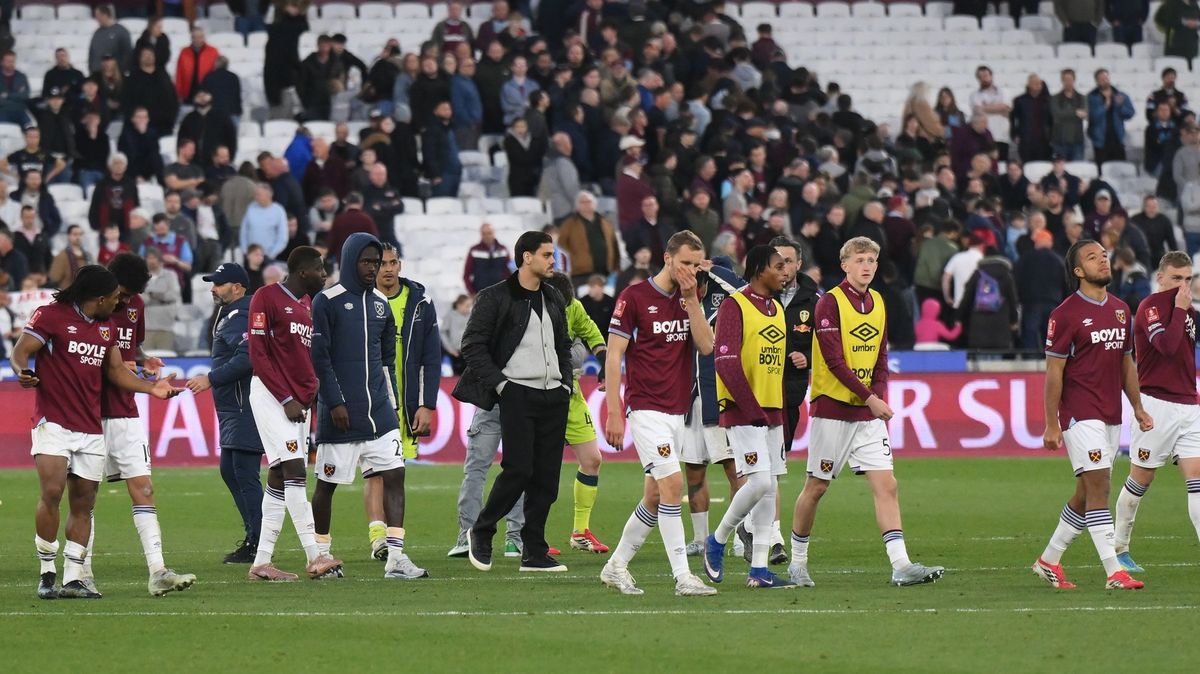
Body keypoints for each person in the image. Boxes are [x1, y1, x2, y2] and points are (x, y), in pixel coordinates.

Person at [10, 265, 178, 599]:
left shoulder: (106, 327)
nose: (120, 304)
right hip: (53, 420)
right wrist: (22, 371)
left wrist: (151, 389)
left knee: (84, 503)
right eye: (115, 297)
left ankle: (73, 577)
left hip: (90, 427)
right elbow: (21, 351)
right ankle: (46, 570)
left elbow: (116, 371)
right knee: (53, 491)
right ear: (99, 298)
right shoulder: (50, 315)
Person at [788, 237, 945, 588]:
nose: (867, 265)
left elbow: (881, 357)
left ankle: (900, 564)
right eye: (860, 259)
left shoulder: (878, 302)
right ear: (845, 265)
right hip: (833, 410)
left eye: (872, 259)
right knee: (816, 487)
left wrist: (878, 395)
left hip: (866, 414)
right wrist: (870, 398)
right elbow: (833, 359)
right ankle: (797, 562)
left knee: (887, 485)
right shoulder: (829, 303)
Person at [600, 230, 718, 597]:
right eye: (685, 263)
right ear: (667, 259)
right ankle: (683, 577)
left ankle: (615, 567)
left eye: (696, 265)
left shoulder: (692, 296)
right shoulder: (634, 297)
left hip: (677, 409)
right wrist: (615, 411)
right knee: (672, 486)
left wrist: (691, 300)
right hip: (645, 408)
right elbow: (615, 354)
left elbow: (706, 345)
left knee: (654, 494)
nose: (690, 271)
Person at [308, 234, 427, 579]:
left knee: (396, 474)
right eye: (366, 261)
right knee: (327, 486)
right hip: (340, 415)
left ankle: (396, 558)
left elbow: (387, 357)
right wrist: (334, 401)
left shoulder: (380, 304)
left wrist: (388, 401)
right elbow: (320, 357)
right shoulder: (326, 301)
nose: (372, 268)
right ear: (349, 261)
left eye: (376, 262)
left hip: (379, 413)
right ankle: (321, 554)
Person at [454, 230, 574, 574]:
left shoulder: (553, 296)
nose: (553, 261)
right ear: (527, 257)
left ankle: (534, 551)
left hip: (554, 395)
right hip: (517, 393)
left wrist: (565, 383)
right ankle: (482, 528)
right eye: (547, 255)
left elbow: (562, 345)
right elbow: (472, 345)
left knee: (547, 479)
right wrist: (502, 385)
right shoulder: (495, 296)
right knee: (519, 469)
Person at [1034, 239, 1150, 591]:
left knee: (1086, 493)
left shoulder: (1120, 309)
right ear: (1078, 271)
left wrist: (1138, 406)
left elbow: (1126, 361)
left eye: (1103, 255)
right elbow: (1054, 372)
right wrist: (1052, 422)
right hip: (1078, 413)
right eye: (1092, 257)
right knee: (1101, 485)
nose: (1103, 260)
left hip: (1110, 413)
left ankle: (1048, 560)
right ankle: (1114, 570)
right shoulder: (1065, 314)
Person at [94, 253, 195, 596]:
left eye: (128, 296)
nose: (123, 301)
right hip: (87, 413)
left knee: (145, 488)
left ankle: (157, 571)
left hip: (125, 410)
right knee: (84, 498)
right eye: (121, 294)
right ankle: (80, 572)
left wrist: (144, 359)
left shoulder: (135, 304)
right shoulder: (86, 302)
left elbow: (129, 347)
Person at [245, 246, 342, 582]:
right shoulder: (266, 297)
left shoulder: (307, 307)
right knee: (295, 469)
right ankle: (315, 556)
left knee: (278, 477)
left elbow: (303, 357)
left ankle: (261, 563)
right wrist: (286, 397)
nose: (324, 275)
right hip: (272, 396)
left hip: (297, 404)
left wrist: (310, 389)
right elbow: (258, 354)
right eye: (320, 269)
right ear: (303, 271)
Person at [701, 246, 793, 588]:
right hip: (743, 411)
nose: (785, 272)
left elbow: (775, 366)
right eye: (778, 266)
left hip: (771, 411)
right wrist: (752, 408)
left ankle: (758, 570)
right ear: (758, 270)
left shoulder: (777, 309)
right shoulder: (734, 305)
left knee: (770, 490)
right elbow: (725, 361)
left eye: (786, 266)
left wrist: (777, 410)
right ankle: (719, 538)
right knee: (760, 482)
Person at [1113, 251, 1200, 571]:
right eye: (1177, 278)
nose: (1183, 285)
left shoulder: (1188, 309)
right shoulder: (1150, 307)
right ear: (1160, 277)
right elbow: (1166, 346)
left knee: (1197, 479)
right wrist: (1179, 310)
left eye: (1188, 279)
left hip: (1189, 405)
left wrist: (1183, 310)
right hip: (1156, 405)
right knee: (1141, 479)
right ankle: (1119, 547)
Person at [185, 263, 263, 564]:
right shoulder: (232, 313)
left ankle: (259, 542)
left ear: (238, 287)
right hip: (233, 406)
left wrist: (211, 378)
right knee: (230, 471)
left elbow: (248, 358)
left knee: (244, 473)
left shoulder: (243, 315)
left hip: (245, 405)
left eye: (218, 283)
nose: (212, 288)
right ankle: (254, 537)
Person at [366, 243, 440, 557]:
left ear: (400, 264)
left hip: (408, 402)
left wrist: (427, 404)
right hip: (374, 400)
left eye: (393, 262)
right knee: (375, 471)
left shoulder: (420, 302)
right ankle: (378, 538)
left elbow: (431, 357)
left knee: (396, 469)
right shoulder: (364, 300)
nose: (388, 269)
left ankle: (392, 536)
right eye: (382, 263)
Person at [544, 272, 610, 553]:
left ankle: (579, 531)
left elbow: (593, 334)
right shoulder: (535, 307)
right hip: (541, 395)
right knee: (539, 470)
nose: (566, 310)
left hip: (570, 394)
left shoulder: (574, 307)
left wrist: (605, 361)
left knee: (592, 459)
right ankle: (529, 537)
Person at [557, 191, 619, 286]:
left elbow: (614, 245)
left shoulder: (605, 222)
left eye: (589, 201)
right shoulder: (569, 224)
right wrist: (575, 259)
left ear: (595, 204)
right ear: (577, 206)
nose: (586, 204)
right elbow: (561, 244)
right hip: (581, 274)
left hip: (606, 272)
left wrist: (615, 267)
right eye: (582, 202)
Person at [1087, 69, 1136, 166]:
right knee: (1102, 171)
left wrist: (1120, 106)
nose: (1105, 80)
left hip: (1117, 140)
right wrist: (1105, 106)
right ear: (1097, 81)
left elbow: (1130, 113)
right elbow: (1092, 117)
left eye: (1106, 78)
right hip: (1100, 142)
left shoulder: (1120, 95)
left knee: (1120, 168)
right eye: (1101, 79)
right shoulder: (1092, 97)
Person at [422, 100, 462, 198]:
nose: (447, 111)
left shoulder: (452, 128)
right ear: (435, 111)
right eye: (443, 109)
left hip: (455, 171)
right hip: (442, 173)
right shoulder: (431, 130)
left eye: (448, 109)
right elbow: (429, 153)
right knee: (441, 202)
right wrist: (435, 174)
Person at [463, 223, 515, 295]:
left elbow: (510, 272)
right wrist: (472, 293)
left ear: (494, 233)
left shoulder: (503, 250)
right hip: (481, 294)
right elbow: (466, 274)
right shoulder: (474, 250)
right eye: (484, 234)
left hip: (500, 294)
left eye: (489, 233)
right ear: (481, 234)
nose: (487, 236)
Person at [240, 182, 289, 259]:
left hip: (269, 256)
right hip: (250, 256)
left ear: (268, 195)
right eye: (255, 194)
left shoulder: (278, 210)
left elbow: (282, 237)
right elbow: (243, 231)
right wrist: (245, 251)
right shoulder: (251, 207)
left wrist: (271, 255)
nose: (255, 197)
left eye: (258, 194)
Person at [48, 225, 93, 289]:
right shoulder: (62, 256)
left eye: (80, 234)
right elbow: (54, 277)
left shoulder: (88, 255)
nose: (78, 237)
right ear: (69, 236)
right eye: (75, 234)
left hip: (86, 293)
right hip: (68, 293)